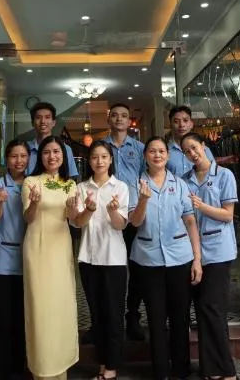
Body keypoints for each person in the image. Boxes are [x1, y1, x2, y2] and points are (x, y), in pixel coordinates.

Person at [128, 136, 202, 380]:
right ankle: (160, 371)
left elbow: (190, 221)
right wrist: (143, 199)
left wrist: (197, 259)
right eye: (152, 151)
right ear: (145, 156)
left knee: (180, 317)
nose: (157, 155)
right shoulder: (136, 185)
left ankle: (181, 370)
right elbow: (135, 222)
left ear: (168, 156)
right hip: (148, 261)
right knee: (156, 318)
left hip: (180, 259)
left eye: (161, 151)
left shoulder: (179, 184)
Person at [71, 140, 129, 380]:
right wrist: (89, 210)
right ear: (89, 160)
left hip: (114, 259)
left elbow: (120, 225)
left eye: (104, 156)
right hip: (88, 258)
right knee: (97, 315)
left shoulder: (121, 187)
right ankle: (103, 363)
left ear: (111, 160)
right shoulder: (81, 188)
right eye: (95, 157)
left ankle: (112, 368)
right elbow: (78, 223)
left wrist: (113, 210)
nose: (99, 161)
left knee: (114, 315)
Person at [182, 132, 238, 380]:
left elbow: (228, 215)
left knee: (212, 307)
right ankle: (211, 369)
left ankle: (226, 370)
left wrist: (202, 206)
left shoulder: (224, 175)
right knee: (203, 309)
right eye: (187, 151)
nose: (192, 153)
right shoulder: (185, 180)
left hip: (219, 252)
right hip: (194, 252)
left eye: (194, 147)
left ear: (204, 146)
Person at [23, 136, 79, 380]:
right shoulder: (31, 181)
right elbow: (28, 218)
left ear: (63, 156)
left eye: (57, 152)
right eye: (47, 152)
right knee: (40, 309)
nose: (52, 156)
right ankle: (41, 369)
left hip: (61, 249)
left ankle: (61, 367)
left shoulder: (70, 185)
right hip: (37, 249)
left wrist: (77, 210)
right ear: (40, 156)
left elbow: (73, 219)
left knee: (61, 306)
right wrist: (34, 203)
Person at [0, 139, 31, 380]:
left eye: (23, 156)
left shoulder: (34, 184)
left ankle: (18, 367)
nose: (19, 161)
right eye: (14, 156)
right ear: (7, 159)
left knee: (22, 318)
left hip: (28, 262)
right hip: (0, 261)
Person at [104, 102, 145, 342]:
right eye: (115, 115)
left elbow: (144, 179)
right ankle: (110, 317)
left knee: (135, 266)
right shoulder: (101, 147)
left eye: (124, 116)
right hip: (107, 215)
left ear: (129, 121)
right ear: (109, 119)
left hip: (133, 215)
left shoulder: (139, 148)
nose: (119, 119)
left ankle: (133, 315)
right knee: (111, 267)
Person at [22, 102, 79, 178]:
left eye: (47, 117)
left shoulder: (65, 149)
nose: (43, 121)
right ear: (32, 123)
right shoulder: (24, 149)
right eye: (38, 117)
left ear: (54, 122)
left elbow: (70, 179)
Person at [166, 105, 214, 177]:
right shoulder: (164, 151)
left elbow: (214, 176)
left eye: (185, 120)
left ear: (191, 124)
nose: (181, 125)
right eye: (176, 121)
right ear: (170, 125)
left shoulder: (204, 149)